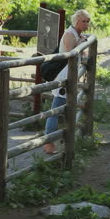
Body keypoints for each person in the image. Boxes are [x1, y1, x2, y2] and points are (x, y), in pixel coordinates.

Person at [43, 9, 90, 154]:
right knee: (56, 108)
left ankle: (65, 138)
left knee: (64, 107)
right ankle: (48, 142)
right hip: (64, 75)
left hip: (70, 74)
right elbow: (69, 55)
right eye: (83, 21)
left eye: (88, 21)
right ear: (76, 21)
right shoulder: (70, 34)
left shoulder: (77, 34)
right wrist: (81, 43)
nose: (86, 24)